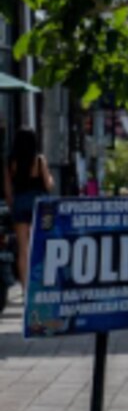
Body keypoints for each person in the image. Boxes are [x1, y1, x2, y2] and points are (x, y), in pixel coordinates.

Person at [3, 128, 54, 298]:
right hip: (38, 205)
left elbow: (8, 190)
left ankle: (26, 290)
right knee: (39, 245)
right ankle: (40, 284)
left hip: (20, 203)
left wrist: (13, 206)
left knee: (23, 249)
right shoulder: (39, 160)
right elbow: (48, 185)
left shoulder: (11, 162)